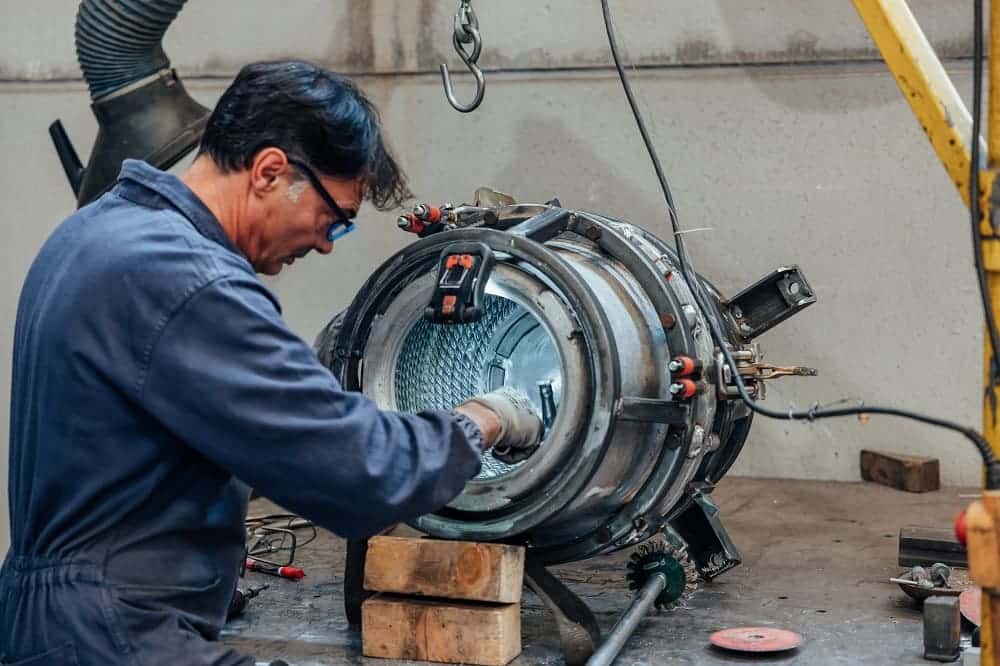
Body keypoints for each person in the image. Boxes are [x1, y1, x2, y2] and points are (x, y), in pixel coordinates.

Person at [0, 61, 541, 665]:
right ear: (269, 171)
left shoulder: (91, 235)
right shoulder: (190, 281)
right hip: (118, 635)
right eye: (334, 216)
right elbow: (362, 473)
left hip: (54, 620)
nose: (326, 242)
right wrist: (482, 420)